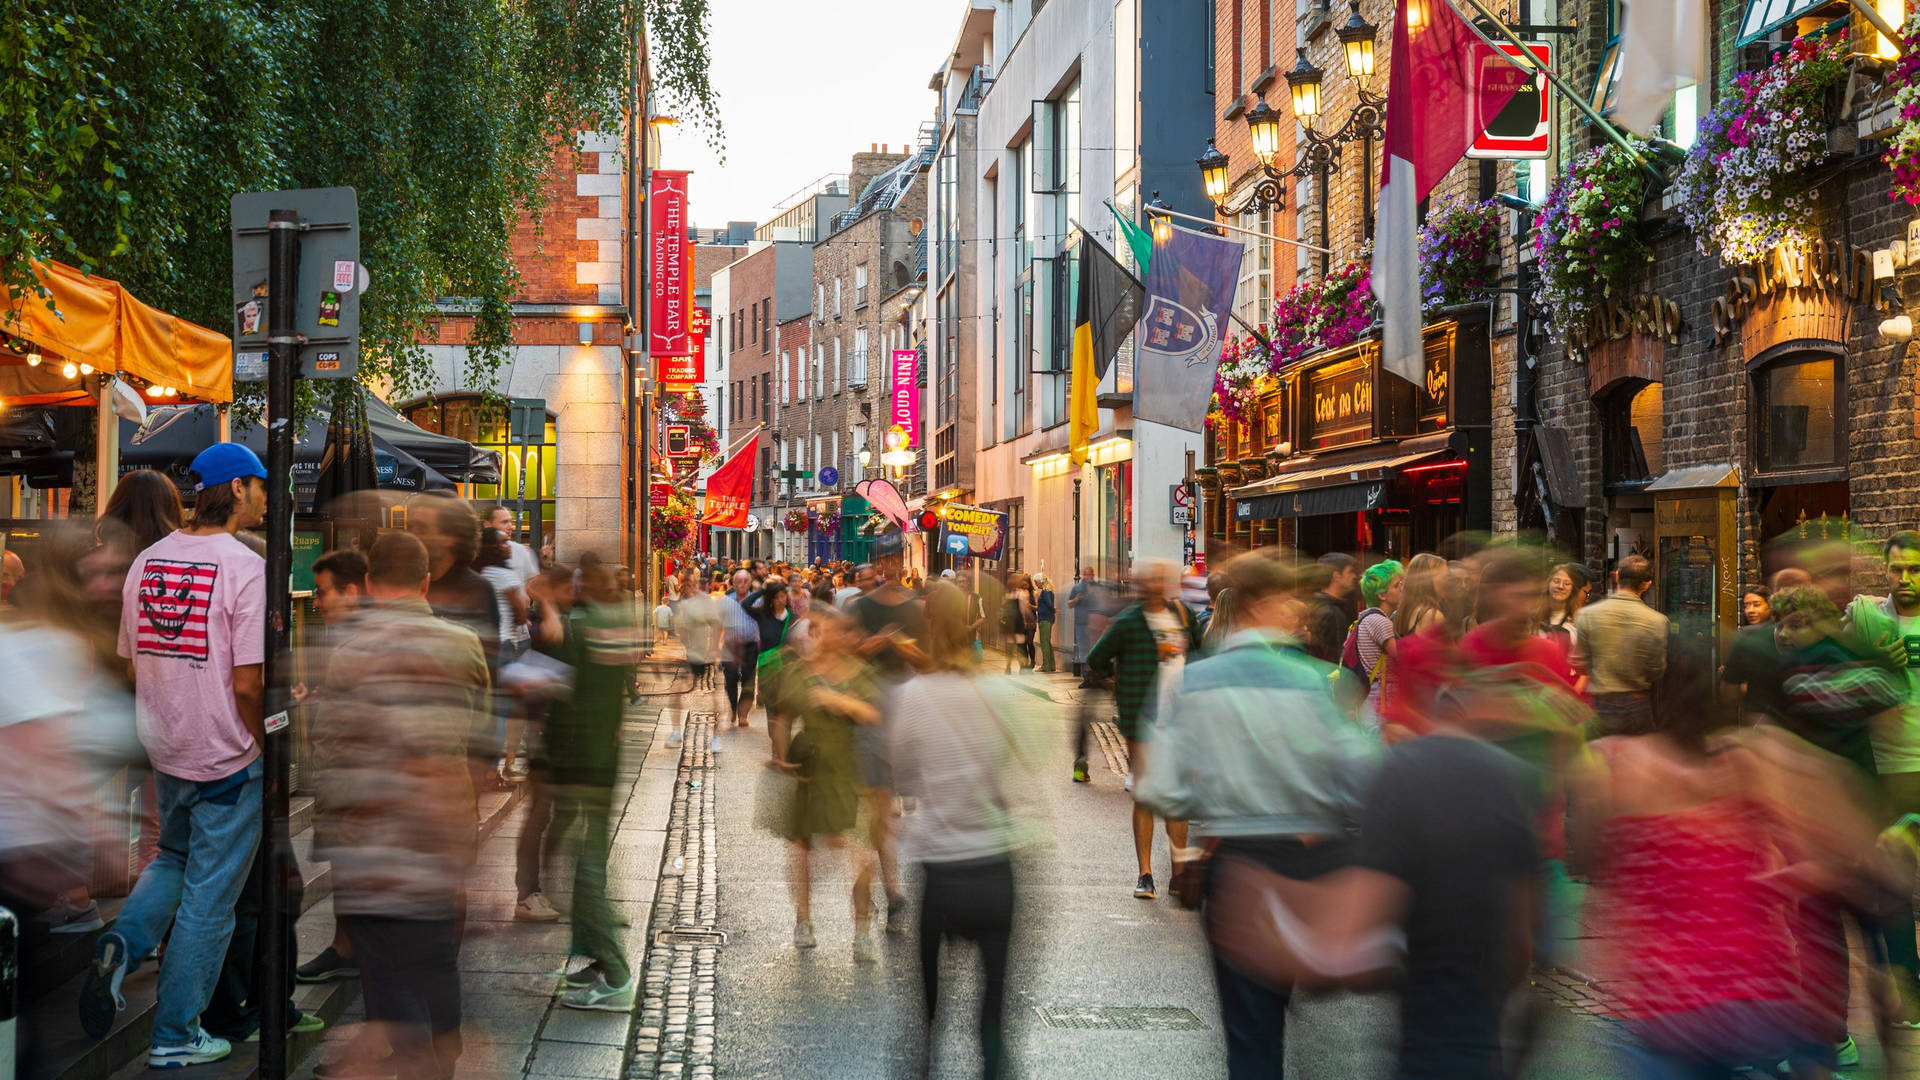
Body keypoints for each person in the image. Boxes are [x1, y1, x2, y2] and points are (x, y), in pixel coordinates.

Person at [1138, 550, 1379, 1079]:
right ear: (1261, 605)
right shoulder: (1317, 683)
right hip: (1304, 860)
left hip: (1233, 861)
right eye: (1286, 599)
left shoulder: (1192, 680)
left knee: (1250, 1031)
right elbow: (1362, 777)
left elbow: (1163, 787)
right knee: (1294, 1017)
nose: (1294, 610)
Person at [83, 443, 272, 1067]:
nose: (268, 497)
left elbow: (135, 660)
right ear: (239, 489)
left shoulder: (148, 561)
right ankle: (174, 1035)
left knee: (172, 857)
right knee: (210, 899)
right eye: (262, 485)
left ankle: (123, 942)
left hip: (166, 745)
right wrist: (260, 744)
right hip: (224, 754)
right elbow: (248, 682)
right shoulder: (244, 566)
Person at [309, 531, 486, 1080]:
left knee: (383, 955)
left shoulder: (351, 650)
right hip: (444, 816)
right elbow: (477, 729)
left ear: (365, 583)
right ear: (426, 580)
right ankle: (443, 1055)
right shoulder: (463, 644)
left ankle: (414, 1062)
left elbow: (332, 744)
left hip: (376, 826)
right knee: (434, 948)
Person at [888, 582, 1043, 1079]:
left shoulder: (912, 696)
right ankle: (993, 1066)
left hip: (941, 863)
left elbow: (904, 779)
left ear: (928, 627)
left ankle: (928, 1058)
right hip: (995, 861)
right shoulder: (999, 691)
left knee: (931, 1001)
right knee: (994, 999)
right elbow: (1021, 766)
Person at [546, 561, 643, 1011]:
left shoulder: (590, 630)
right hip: (595, 763)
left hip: (588, 766)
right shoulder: (609, 624)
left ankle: (616, 973)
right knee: (587, 869)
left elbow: (582, 700)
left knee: (585, 876)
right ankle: (599, 962)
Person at [1087, 559, 1201, 900]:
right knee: (1148, 794)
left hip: (1180, 719)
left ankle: (1179, 874)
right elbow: (1096, 658)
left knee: (1177, 797)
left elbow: (1199, 655)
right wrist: (1117, 689)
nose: (1155, 587)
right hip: (1143, 721)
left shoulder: (1182, 616)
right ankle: (1145, 873)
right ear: (1140, 586)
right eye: (1149, 582)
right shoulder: (1129, 622)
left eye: (1160, 581)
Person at [774, 608, 883, 959]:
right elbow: (783, 715)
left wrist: (837, 700)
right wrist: (781, 757)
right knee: (803, 849)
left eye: (838, 631)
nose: (830, 636)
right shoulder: (800, 671)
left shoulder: (860, 672)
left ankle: (862, 931)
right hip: (809, 770)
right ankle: (803, 920)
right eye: (825, 630)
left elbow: (872, 714)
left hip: (849, 771)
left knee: (863, 853)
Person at [296, 550, 370, 986]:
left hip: (352, 777)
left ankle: (350, 946)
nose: (316, 602)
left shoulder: (361, 641)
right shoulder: (342, 638)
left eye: (323, 593)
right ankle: (348, 944)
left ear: (353, 592)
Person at [851, 566, 929, 932]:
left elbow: (928, 663)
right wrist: (874, 643)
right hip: (871, 716)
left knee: (908, 810)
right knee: (881, 810)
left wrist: (909, 652)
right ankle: (892, 890)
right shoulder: (860, 609)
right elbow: (846, 655)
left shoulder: (915, 610)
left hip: (909, 715)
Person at [1572, 554, 1670, 736]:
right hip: (1637, 702)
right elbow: (1657, 669)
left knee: (1599, 759)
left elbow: (1578, 662)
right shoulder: (1658, 621)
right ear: (1647, 584)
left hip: (1600, 704)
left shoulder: (1588, 615)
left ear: (1616, 576)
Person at [1344, 560, 1402, 726]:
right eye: (1397, 585)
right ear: (1382, 595)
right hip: (1381, 698)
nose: (1402, 590)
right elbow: (1401, 656)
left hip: (1371, 698)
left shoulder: (1366, 617)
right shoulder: (1380, 622)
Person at [719, 569, 761, 727]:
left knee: (748, 680)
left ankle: (743, 714)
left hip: (750, 646)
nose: (742, 584)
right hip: (730, 646)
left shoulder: (757, 601)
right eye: (738, 581)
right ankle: (734, 708)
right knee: (730, 679)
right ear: (733, 583)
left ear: (750, 583)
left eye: (745, 581)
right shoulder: (726, 601)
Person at [1303, 553, 1360, 664]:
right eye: (1350, 571)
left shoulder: (1316, 605)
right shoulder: (1332, 613)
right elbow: (1336, 658)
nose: (1354, 576)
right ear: (1336, 576)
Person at [483, 504, 542, 583]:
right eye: (504, 522)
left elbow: (533, 584)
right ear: (488, 524)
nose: (510, 527)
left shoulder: (521, 551)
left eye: (511, 522)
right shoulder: (474, 552)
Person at [1067, 567, 1091, 676]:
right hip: (1081, 623)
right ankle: (1086, 676)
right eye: (1086, 575)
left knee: (1092, 649)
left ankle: (1093, 675)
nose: (1088, 577)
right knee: (1083, 650)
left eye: (1090, 575)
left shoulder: (1096, 588)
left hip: (1094, 623)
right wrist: (1076, 599)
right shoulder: (1077, 588)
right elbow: (1069, 604)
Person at [1033, 573, 1057, 673]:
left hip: (1044, 619)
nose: (1035, 584)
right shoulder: (1048, 590)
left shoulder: (1045, 591)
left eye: (1036, 582)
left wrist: (1053, 609)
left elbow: (1049, 604)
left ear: (1040, 581)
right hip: (1048, 618)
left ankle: (1046, 666)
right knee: (1047, 642)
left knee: (1044, 643)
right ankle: (1051, 665)